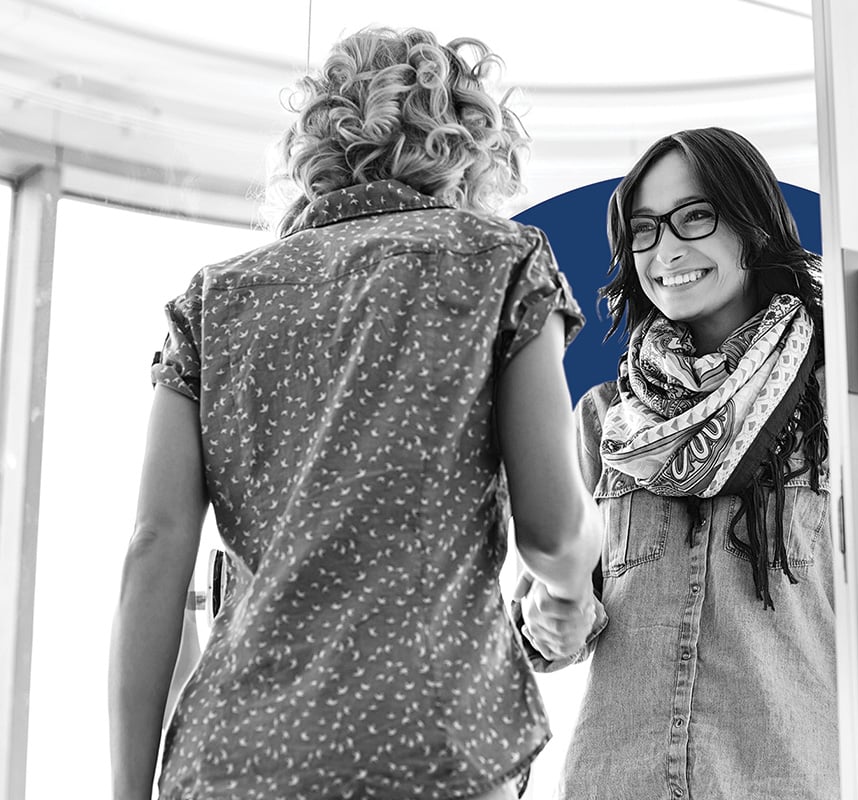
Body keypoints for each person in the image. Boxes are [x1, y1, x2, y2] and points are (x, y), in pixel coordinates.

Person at [108, 27, 601, 800]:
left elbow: (153, 548)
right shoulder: (500, 263)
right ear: (471, 152)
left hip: (233, 761)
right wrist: (571, 590)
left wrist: (128, 790)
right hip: (427, 748)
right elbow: (554, 533)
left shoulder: (213, 300)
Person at [516, 127, 838, 799]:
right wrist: (555, 619)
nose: (666, 250)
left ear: (752, 227)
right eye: (645, 229)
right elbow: (554, 623)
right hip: (616, 780)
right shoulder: (606, 420)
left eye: (695, 216)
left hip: (786, 780)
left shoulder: (838, 406)